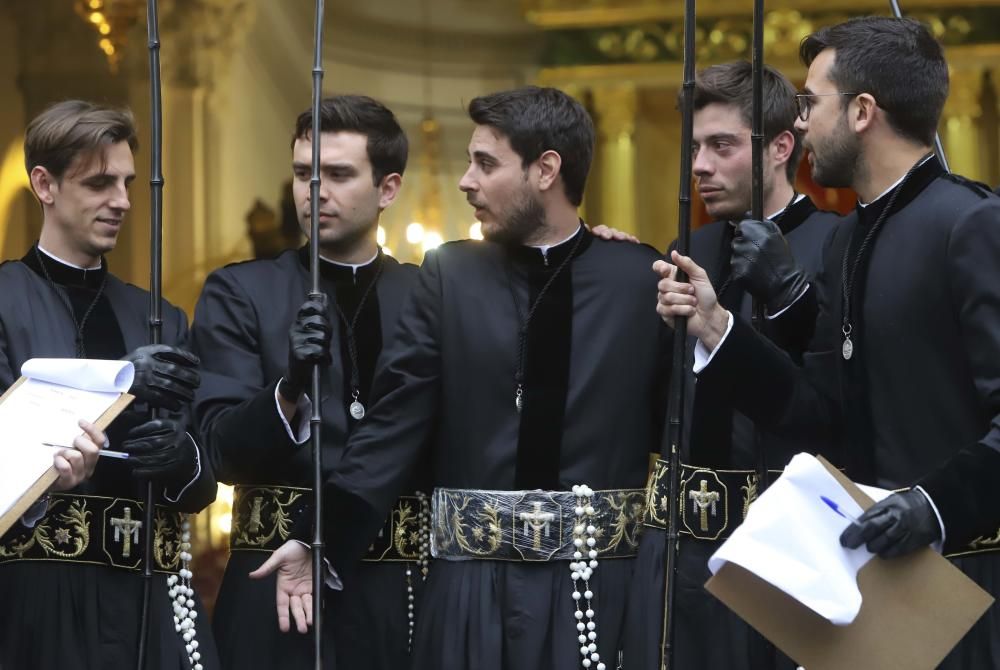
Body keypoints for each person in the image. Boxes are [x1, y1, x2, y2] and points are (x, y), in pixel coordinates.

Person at [253, 85, 671, 670]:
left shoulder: (638, 277)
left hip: (601, 590)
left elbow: (677, 429)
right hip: (472, 593)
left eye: (485, 163)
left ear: (546, 170)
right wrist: (315, 537)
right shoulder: (449, 274)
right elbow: (393, 423)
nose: (465, 181)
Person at [655, 17, 1000, 667]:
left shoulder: (971, 222)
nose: (802, 123)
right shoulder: (849, 239)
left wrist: (932, 505)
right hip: (869, 590)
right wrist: (717, 331)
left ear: (864, 111)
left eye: (812, 103)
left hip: (968, 583)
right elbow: (818, 412)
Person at [191, 95, 426, 670]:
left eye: (339, 175)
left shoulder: (427, 297)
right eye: (303, 173)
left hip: (401, 586)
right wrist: (289, 387)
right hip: (271, 582)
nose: (313, 190)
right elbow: (219, 450)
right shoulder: (240, 292)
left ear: (388, 188)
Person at [626, 60, 838, 670]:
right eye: (695, 147)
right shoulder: (690, 249)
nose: (699, 166)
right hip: (680, 553)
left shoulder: (835, 243)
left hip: (792, 552)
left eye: (721, 146)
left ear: (779, 147)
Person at [0, 100, 218, 669]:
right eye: (99, 183)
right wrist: (119, 381)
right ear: (44, 184)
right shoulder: (4, 301)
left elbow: (200, 487)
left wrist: (180, 457)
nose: (121, 201)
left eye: (126, 182)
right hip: (39, 596)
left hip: (154, 596)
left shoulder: (162, 318)